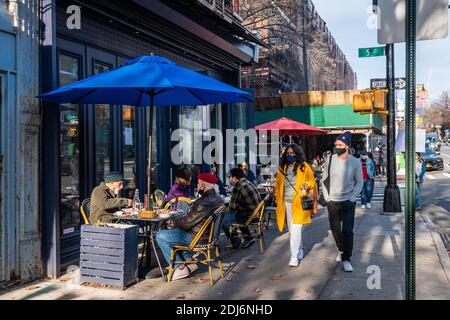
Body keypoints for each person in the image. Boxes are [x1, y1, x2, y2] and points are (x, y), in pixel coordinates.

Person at [156, 173, 224, 281]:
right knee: (175, 232)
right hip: (208, 237)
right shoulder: (219, 199)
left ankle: (179, 267)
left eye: (198, 183)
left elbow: (186, 223)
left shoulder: (202, 201)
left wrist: (174, 223)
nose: (197, 185)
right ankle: (189, 260)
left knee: (160, 235)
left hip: (197, 238)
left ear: (202, 185)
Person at [320, 132, 363, 272]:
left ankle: (346, 258)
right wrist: (326, 197)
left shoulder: (355, 162)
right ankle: (341, 248)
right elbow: (323, 179)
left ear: (347, 146)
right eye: (336, 145)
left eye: (339, 145)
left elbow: (359, 183)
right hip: (333, 201)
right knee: (335, 229)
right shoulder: (330, 160)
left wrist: (352, 198)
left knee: (347, 231)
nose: (337, 147)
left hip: (348, 201)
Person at [274, 144, 317, 267]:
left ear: (297, 154)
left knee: (296, 229)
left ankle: (294, 256)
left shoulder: (304, 166)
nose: (289, 155)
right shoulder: (282, 167)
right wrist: (278, 198)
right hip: (286, 203)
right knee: (292, 230)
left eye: (292, 153)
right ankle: (300, 249)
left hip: (299, 202)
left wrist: (306, 185)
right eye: (287, 153)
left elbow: (312, 181)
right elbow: (277, 185)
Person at [222, 168, 261, 249]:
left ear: (234, 178)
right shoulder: (247, 182)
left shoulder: (238, 187)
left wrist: (222, 209)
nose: (229, 179)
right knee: (236, 213)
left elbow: (232, 208)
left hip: (249, 216)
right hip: (256, 214)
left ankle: (235, 241)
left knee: (225, 221)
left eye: (230, 177)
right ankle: (248, 237)